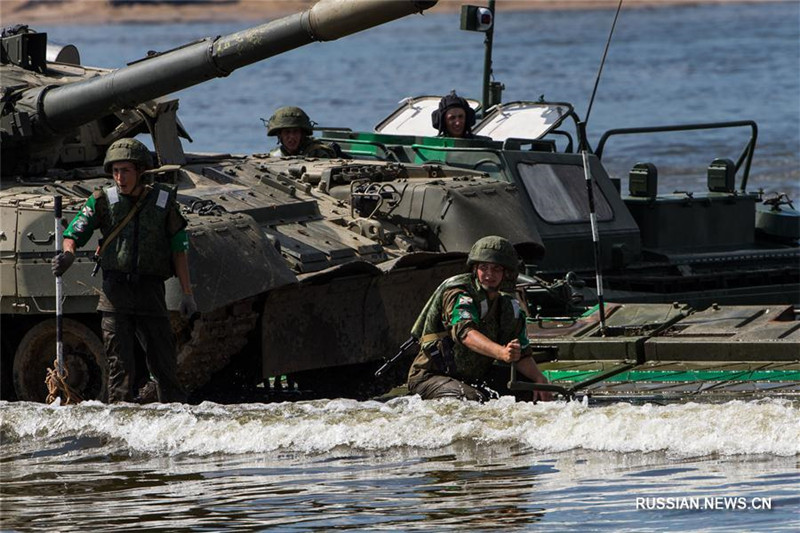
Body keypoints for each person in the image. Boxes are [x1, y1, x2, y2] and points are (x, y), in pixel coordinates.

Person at [52, 138, 196, 403]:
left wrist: (187, 293)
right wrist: (69, 255)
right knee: (120, 367)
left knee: (164, 364)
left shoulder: (162, 202)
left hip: (150, 291)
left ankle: (174, 422)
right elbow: (75, 232)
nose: (120, 177)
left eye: (126, 170)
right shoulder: (103, 201)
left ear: (140, 171)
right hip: (115, 293)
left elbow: (179, 248)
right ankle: (120, 426)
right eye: (116, 171)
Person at [406, 236, 552, 402]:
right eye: (484, 267)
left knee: (529, 389)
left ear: (506, 273)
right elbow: (465, 333)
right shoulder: (459, 293)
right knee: (469, 400)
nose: (489, 274)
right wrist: (501, 352)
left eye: (496, 269)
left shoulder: (508, 306)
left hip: (474, 376)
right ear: (475, 269)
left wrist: (540, 380)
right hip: (432, 375)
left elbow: (523, 354)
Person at [265, 106, 337, 158]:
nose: (292, 136)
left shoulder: (318, 154)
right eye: (287, 132)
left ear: (302, 134)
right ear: (280, 135)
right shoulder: (275, 155)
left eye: (295, 132)